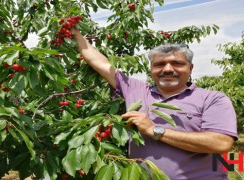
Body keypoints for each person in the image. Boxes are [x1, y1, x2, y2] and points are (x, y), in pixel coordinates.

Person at [71, 28, 238, 179]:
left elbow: (221, 143)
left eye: (177, 63)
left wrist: (154, 130)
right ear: (151, 69)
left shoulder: (213, 99)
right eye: (159, 64)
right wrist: (76, 34)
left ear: (191, 68)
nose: (167, 69)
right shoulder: (135, 90)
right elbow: (100, 62)